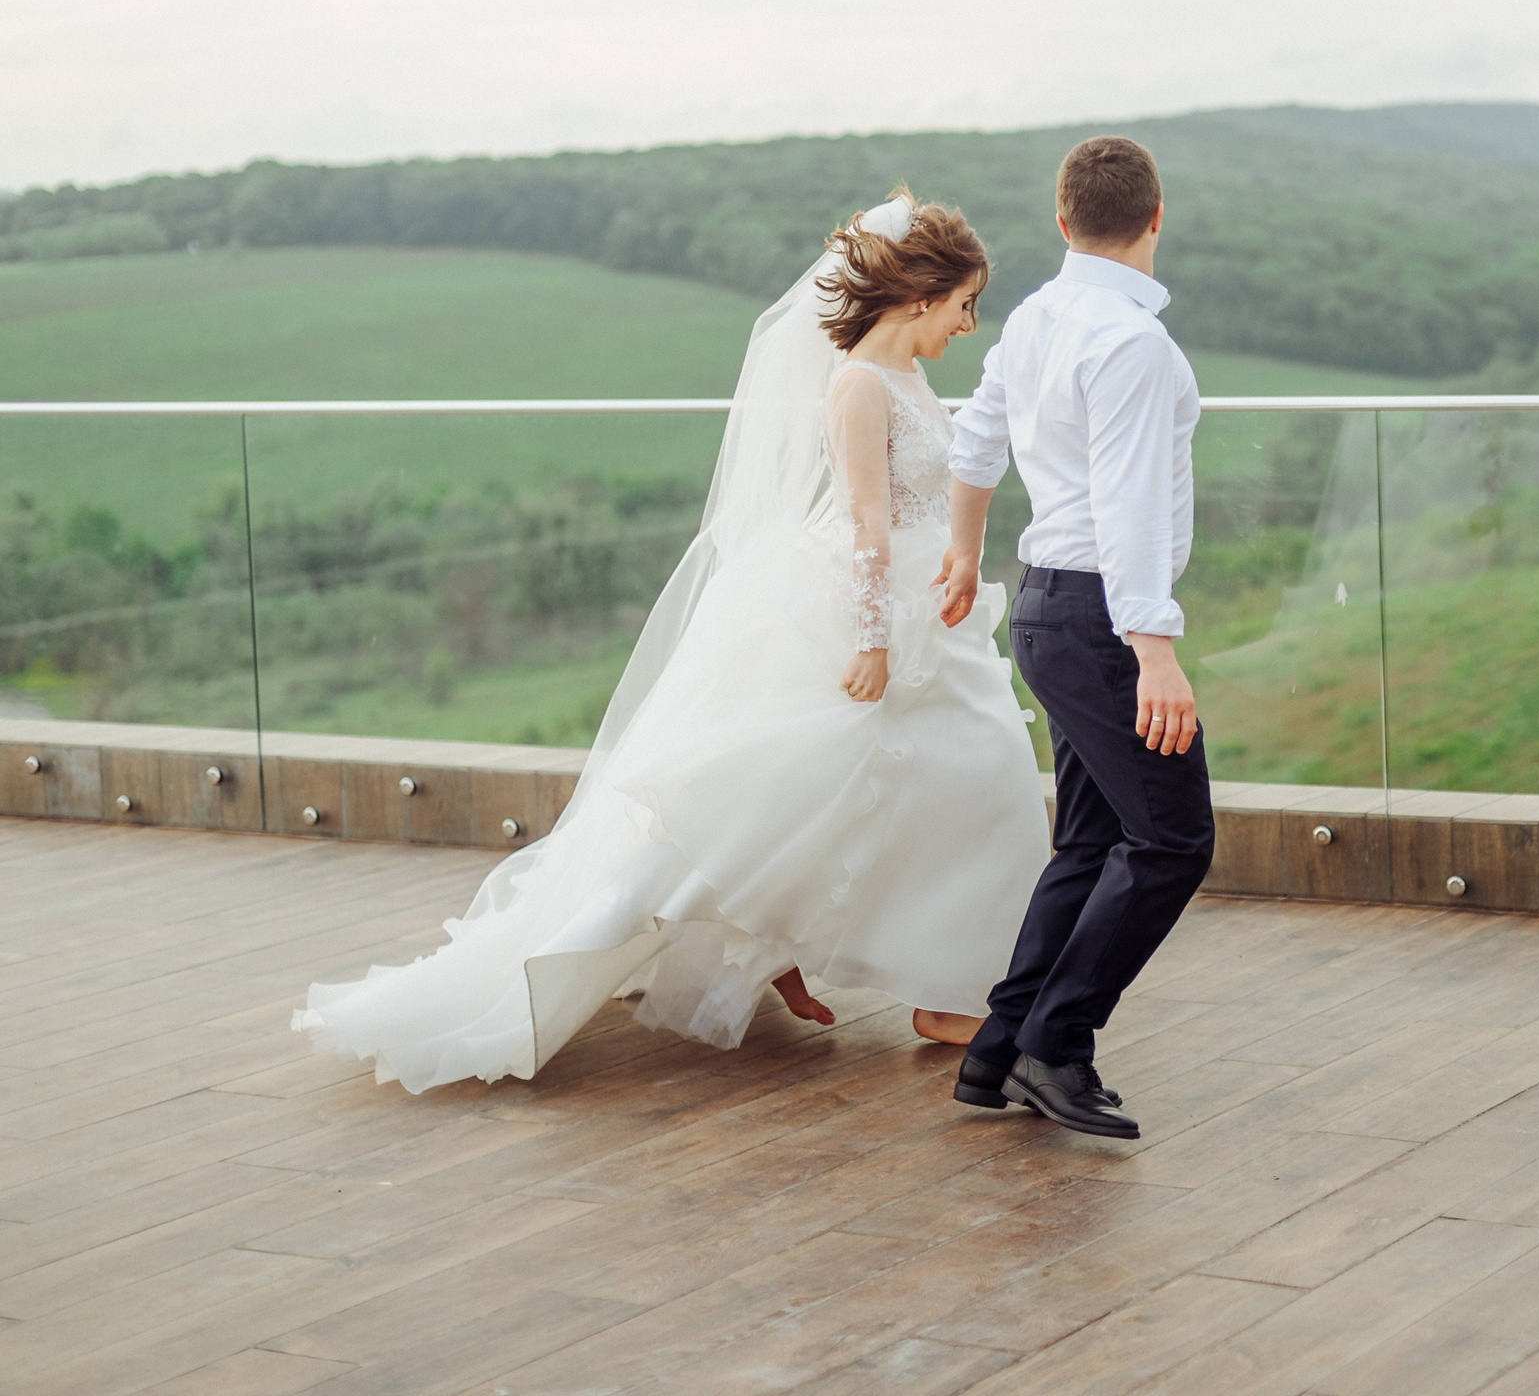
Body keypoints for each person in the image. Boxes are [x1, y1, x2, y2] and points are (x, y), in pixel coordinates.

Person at [292, 193, 1053, 1092]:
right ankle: (830, 962)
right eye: (965, 304)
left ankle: (942, 983)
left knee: (965, 785)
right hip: (883, 618)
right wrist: (874, 641)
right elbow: (866, 524)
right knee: (831, 793)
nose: (969, 325)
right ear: (922, 297)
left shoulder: (915, 381)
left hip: (941, 620)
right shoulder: (856, 385)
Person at [938, 136, 1211, 1141]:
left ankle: (998, 1053)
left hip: (1047, 611)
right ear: (1156, 215)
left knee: (1092, 840)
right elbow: (1131, 506)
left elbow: (973, 441)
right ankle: (1059, 1042)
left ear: (1061, 222)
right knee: (1174, 839)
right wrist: (1156, 649)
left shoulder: (1038, 318)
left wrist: (965, 555)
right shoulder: (1132, 343)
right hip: (1101, 618)